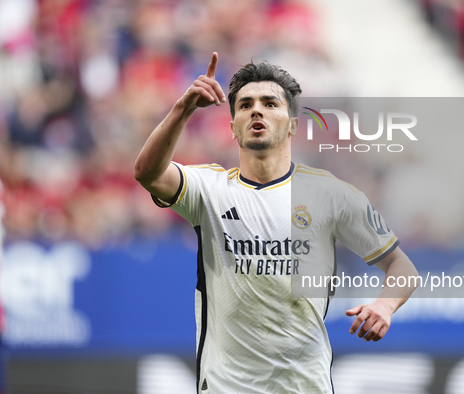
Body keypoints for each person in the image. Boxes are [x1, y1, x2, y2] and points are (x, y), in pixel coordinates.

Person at [134, 52, 418, 393]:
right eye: (245, 105)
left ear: (293, 124)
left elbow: (401, 266)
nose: (257, 110)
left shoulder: (331, 194)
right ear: (233, 126)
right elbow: (147, 173)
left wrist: (385, 305)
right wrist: (183, 109)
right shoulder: (209, 190)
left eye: (270, 103)